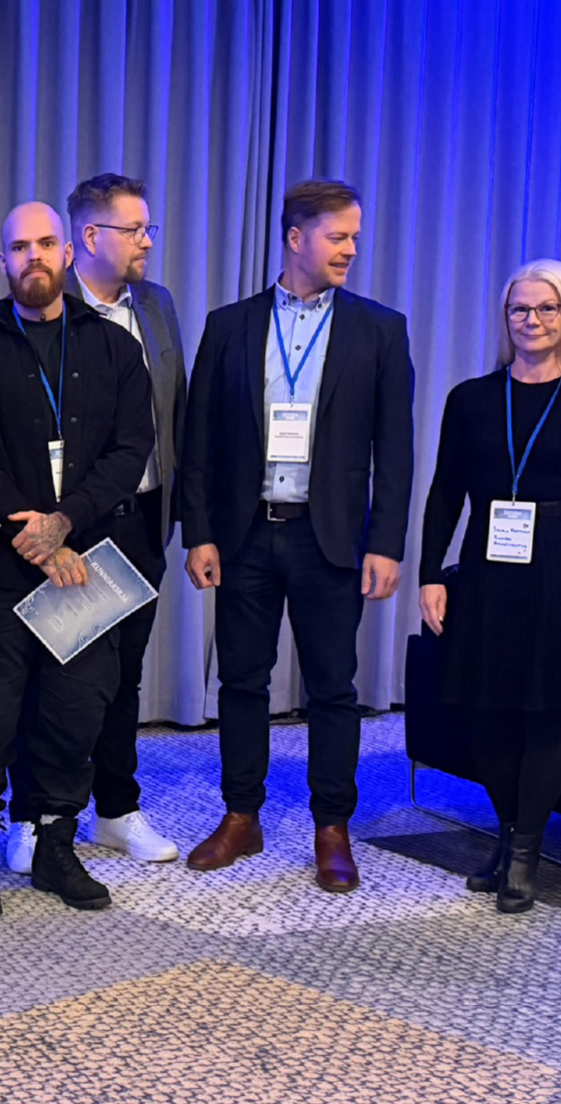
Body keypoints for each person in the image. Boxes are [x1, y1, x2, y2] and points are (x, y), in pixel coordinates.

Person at [179, 179, 414, 892]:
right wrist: (199, 533)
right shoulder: (229, 325)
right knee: (241, 681)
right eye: (338, 237)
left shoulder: (380, 329)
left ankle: (332, 828)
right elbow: (199, 441)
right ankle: (240, 817)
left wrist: (387, 543)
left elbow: (395, 450)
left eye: (354, 237)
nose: (351, 249)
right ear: (295, 238)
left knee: (333, 689)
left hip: (329, 538)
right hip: (246, 533)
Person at [0, 202, 154, 918]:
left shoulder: (115, 348)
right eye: (17, 247)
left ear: (67, 252)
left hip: (85, 561)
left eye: (44, 243)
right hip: (2, 567)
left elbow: (131, 451)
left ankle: (55, 844)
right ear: (1, 261)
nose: (32, 256)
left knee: (75, 713)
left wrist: (65, 524)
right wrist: (33, 530)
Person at [3, 173, 188, 875]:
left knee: (123, 677)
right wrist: (53, 525)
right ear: (88, 237)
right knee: (46, 675)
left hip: (140, 519)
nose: (147, 241)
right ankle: (33, 815)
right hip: (64, 527)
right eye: (134, 229)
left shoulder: (156, 305)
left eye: (147, 228)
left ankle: (115, 808)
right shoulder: (48, 307)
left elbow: (174, 415)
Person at [418, 259, 561, 913]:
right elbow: (445, 493)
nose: (532, 320)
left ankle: (525, 854)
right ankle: (507, 835)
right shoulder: (470, 398)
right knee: (487, 712)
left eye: (546, 308)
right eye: (520, 309)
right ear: (505, 319)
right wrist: (431, 573)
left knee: (549, 712)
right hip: (485, 567)